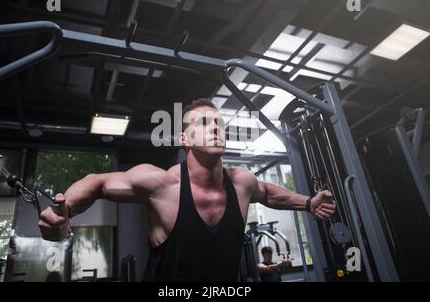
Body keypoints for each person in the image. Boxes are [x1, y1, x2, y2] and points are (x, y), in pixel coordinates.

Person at [38, 98, 336, 281]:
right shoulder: (161, 185)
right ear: (185, 139)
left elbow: (268, 192)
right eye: (204, 123)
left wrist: (308, 202)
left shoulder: (242, 182)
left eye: (219, 123)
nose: (216, 128)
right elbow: (97, 181)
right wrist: (66, 212)